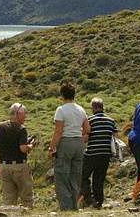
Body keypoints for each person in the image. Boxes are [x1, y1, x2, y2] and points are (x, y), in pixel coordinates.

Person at [49, 81, 90, 211]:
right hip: (78, 142)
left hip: (66, 142)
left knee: (61, 175)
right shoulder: (80, 109)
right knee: (75, 175)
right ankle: (74, 205)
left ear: (62, 95)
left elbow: (58, 131)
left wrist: (51, 148)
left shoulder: (60, 110)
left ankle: (66, 207)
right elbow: (87, 128)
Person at [0, 102, 36, 207]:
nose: (25, 116)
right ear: (18, 114)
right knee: (27, 198)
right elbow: (23, 148)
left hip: (4, 167)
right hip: (19, 166)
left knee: (8, 200)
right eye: (24, 113)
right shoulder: (21, 129)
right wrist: (31, 145)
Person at [80, 97, 118, 209]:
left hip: (92, 153)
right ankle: (99, 201)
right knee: (99, 179)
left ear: (93, 108)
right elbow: (115, 137)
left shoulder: (90, 120)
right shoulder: (111, 121)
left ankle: (89, 199)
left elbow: (85, 138)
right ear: (102, 107)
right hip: (106, 154)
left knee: (82, 176)